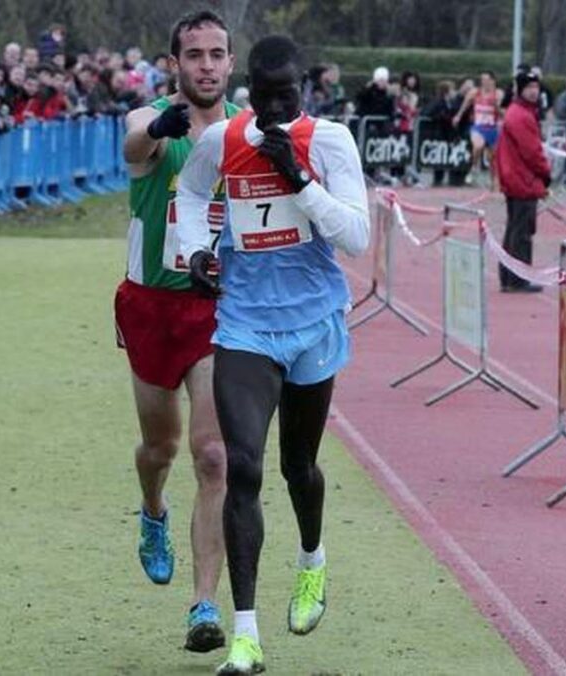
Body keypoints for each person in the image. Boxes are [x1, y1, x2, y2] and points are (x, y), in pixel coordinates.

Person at [175, 34, 369, 674]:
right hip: (245, 326)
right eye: (267, 98)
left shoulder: (330, 141)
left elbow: (358, 237)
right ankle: (246, 635)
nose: (278, 108)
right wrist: (197, 252)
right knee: (244, 468)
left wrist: (300, 180)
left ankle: (312, 559)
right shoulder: (222, 140)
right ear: (248, 94)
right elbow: (192, 195)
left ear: (304, 90)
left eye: (289, 96)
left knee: (298, 469)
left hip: (314, 323)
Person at [115, 8, 239, 656]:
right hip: (149, 308)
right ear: (174, 64)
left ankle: (204, 606)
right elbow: (135, 141)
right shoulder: (155, 122)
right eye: (195, 55)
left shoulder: (245, 132)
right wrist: (160, 128)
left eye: (217, 54)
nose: (207, 66)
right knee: (158, 449)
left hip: (216, 310)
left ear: (231, 62)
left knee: (213, 454)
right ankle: (153, 509)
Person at [495, 69, 551, 294]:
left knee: (514, 229)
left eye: (536, 87)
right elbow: (532, 152)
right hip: (522, 180)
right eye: (529, 87)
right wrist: (546, 174)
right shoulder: (521, 115)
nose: (534, 92)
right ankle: (517, 279)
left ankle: (509, 277)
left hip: (516, 178)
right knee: (521, 232)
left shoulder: (517, 112)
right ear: (520, 89)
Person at [456, 70, 501, 186]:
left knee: (492, 158)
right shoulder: (475, 92)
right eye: (482, 80)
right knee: (478, 146)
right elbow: (465, 104)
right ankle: (474, 167)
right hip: (478, 126)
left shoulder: (498, 93)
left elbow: (501, 112)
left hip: (491, 128)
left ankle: (493, 183)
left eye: (486, 80)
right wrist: (458, 116)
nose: (484, 82)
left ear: (492, 81)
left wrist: (496, 105)